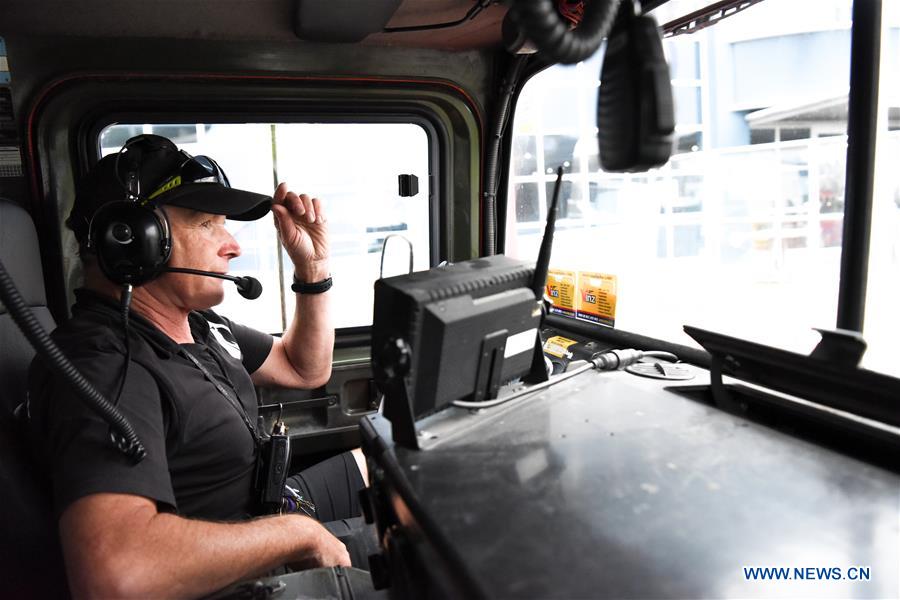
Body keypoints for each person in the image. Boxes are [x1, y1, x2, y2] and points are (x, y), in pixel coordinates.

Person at [27, 135, 371, 598]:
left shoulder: (199, 326)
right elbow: (116, 573)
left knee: (394, 461)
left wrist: (313, 270)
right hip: (237, 579)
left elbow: (303, 369)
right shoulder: (106, 365)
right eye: (208, 224)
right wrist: (298, 535)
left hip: (267, 510)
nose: (232, 246)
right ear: (133, 240)